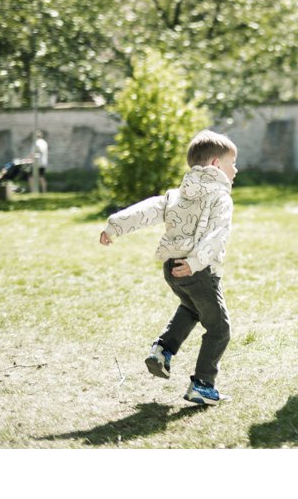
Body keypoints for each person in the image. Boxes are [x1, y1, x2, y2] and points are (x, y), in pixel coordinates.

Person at [99, 130, 238, 406]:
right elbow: (217, 235)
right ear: (215, 165)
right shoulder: (220, 197)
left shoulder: (178, 194)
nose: (236, 170)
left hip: (171, 268)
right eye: (232, 163)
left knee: (191, 308)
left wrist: (114, 226)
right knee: (219, 328)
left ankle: (162, 351)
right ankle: (203, 385)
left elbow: (147, 210)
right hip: (196, 270)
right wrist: (195, 263)